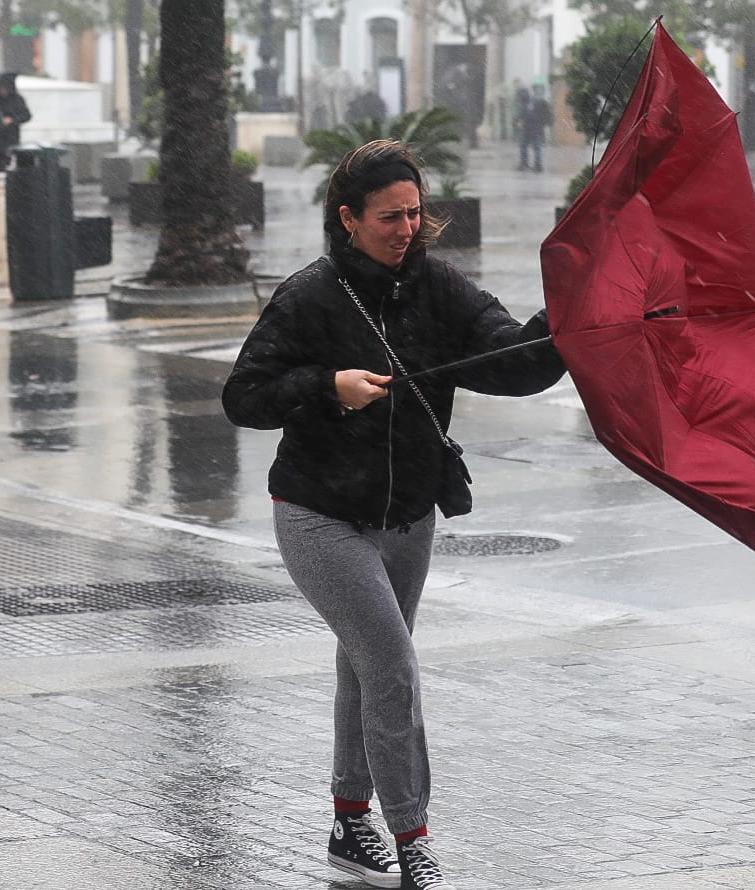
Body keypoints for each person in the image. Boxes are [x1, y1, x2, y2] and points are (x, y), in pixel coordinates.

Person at [221, 140, 565, 890]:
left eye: (414, 213)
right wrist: (326, 386)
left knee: (363, 662)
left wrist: (570, 310)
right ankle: (413, 840)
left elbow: (512, 362)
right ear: (348, 218)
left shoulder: (440, 288)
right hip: (319, 514)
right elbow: (242, 396)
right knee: (389, 664)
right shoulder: (309, 296)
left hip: (409, 514)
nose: (406, 227)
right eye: (388, 216)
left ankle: (350, 821)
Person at [517, 86, 549, 172]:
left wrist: (523, 121)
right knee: (529, 146)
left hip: (533, 128)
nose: (520, 98)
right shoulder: (528, 102)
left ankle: (535, 165)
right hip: (532, 128)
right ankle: (527, 164)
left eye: (520, 96)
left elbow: (529, 115)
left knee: (533, 147)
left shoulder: (531, 102)